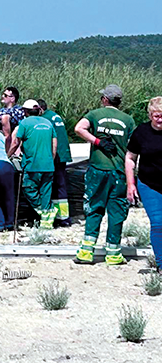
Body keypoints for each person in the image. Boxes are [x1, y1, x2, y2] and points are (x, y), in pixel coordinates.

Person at [73, 84, 136, 266]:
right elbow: (132, 147)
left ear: (105, 99)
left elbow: (79, 128)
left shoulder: (95, 115)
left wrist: (98, 141)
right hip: (119, 171)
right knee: (117, 212)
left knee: (94, 207)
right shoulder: (128, 120)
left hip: (98, 169)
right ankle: (114, 254)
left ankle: (86, 252)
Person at [125, 96, 162, 273]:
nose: (160, 119)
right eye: (156, 115)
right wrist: (130, 184)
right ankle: (161, 265)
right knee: (158, 223)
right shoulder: (141, 132)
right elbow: (130, 158)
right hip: (149, 184)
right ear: (150, 115)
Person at [11, 99, 57, 229]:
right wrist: (50, 159)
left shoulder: (24, 123)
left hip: (32, 164)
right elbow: (54, 144)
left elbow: (15, 143)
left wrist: (8, 155)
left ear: (25, 111)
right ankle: (47, 221)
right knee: (46, 192)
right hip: (48, 164)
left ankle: (43, 210)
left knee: (28, 188)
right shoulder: (48, 123)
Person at [38, 99, 73, 227]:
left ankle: (59, 217)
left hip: (55, 155)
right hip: (63, 153)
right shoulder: (54, 115)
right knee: (61, 185)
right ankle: (64, 216)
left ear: (40, 109)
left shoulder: (45, 119)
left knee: (53, 185)